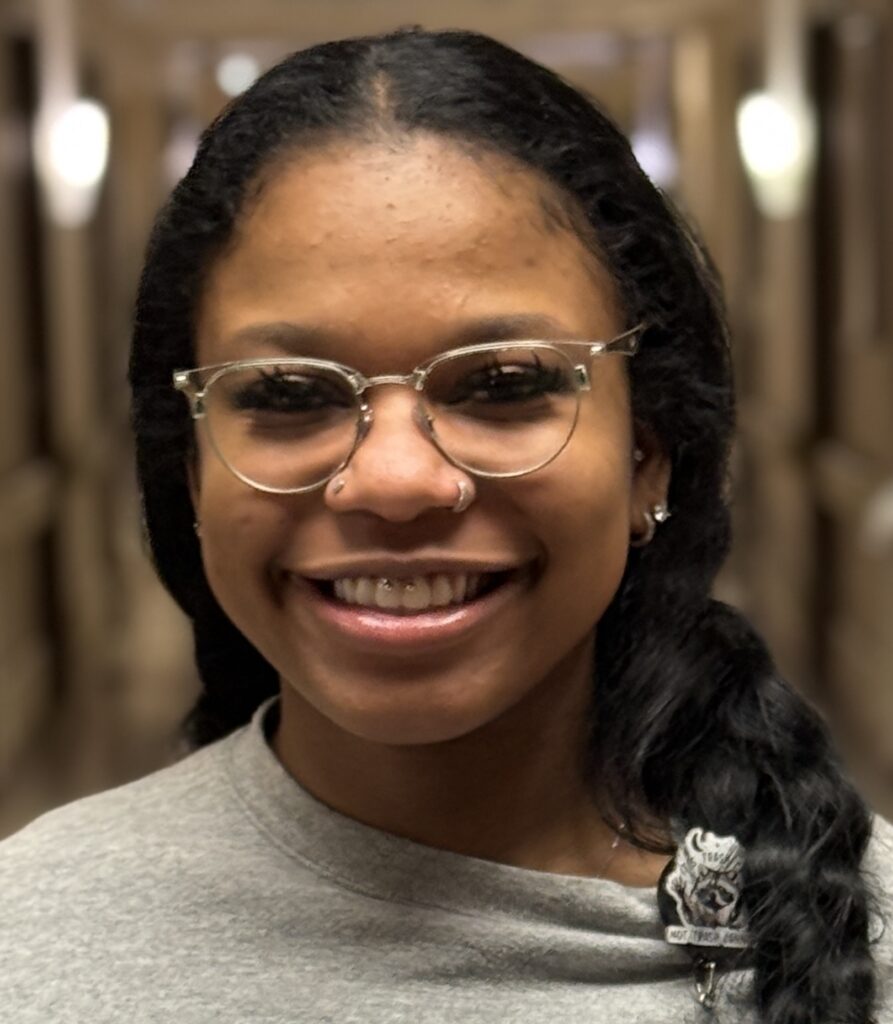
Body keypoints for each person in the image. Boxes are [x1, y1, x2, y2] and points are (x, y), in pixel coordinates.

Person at [1, 26, 891, 1024]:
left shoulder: (854, 932)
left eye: (504, 384)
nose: (393, 480)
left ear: (647, 452)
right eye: (290, 393)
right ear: (191, 469)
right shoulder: (31, 940)